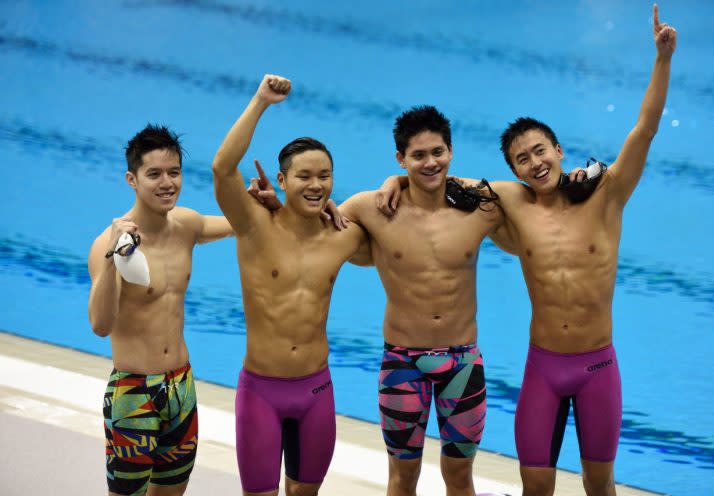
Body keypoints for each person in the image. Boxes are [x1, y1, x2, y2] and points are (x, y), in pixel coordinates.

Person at [378, 5, 676, 495]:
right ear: (515, 171)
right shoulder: (511, 201)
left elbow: (643, 130)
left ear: (559, 151)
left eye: (540, 151)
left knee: (600, 484)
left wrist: (662, 58)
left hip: (598, 365)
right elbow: (435, 176)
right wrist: (393, 176)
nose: (534, 163)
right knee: (535, 485)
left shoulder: (607, 197)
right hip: (544, 366)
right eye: (522, 159)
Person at [334, 105, 511, 496]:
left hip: (463, 363)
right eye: (417, 156)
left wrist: (399, 179)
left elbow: (530, 199)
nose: (430, 162)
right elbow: (316, 223)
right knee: (401, 478)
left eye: (438, 153)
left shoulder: (479, 205)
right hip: (402, 362)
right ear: (401, 158)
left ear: (451, 152)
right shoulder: (371, 207)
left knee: (461, 477)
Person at [211, 74, 371, 496]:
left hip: (316, 389)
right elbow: (222, 168)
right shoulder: (253, 225)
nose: (316, 185)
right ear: (281, 181)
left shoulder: (344, 235)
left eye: (325, 176)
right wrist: (261, 101)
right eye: (304, 176)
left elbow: (403, 222)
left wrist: (392, 183)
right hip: (261, 390)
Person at [87, 124, 234, 496]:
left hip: (181, 388)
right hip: (134, 393)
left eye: (174, 172)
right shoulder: (107, 244)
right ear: (131, 179)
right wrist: (111, 259)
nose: (167, 182)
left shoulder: (186, 224)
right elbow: (100, 326)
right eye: (154, 174)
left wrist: (267, 199)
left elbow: (244, 224)